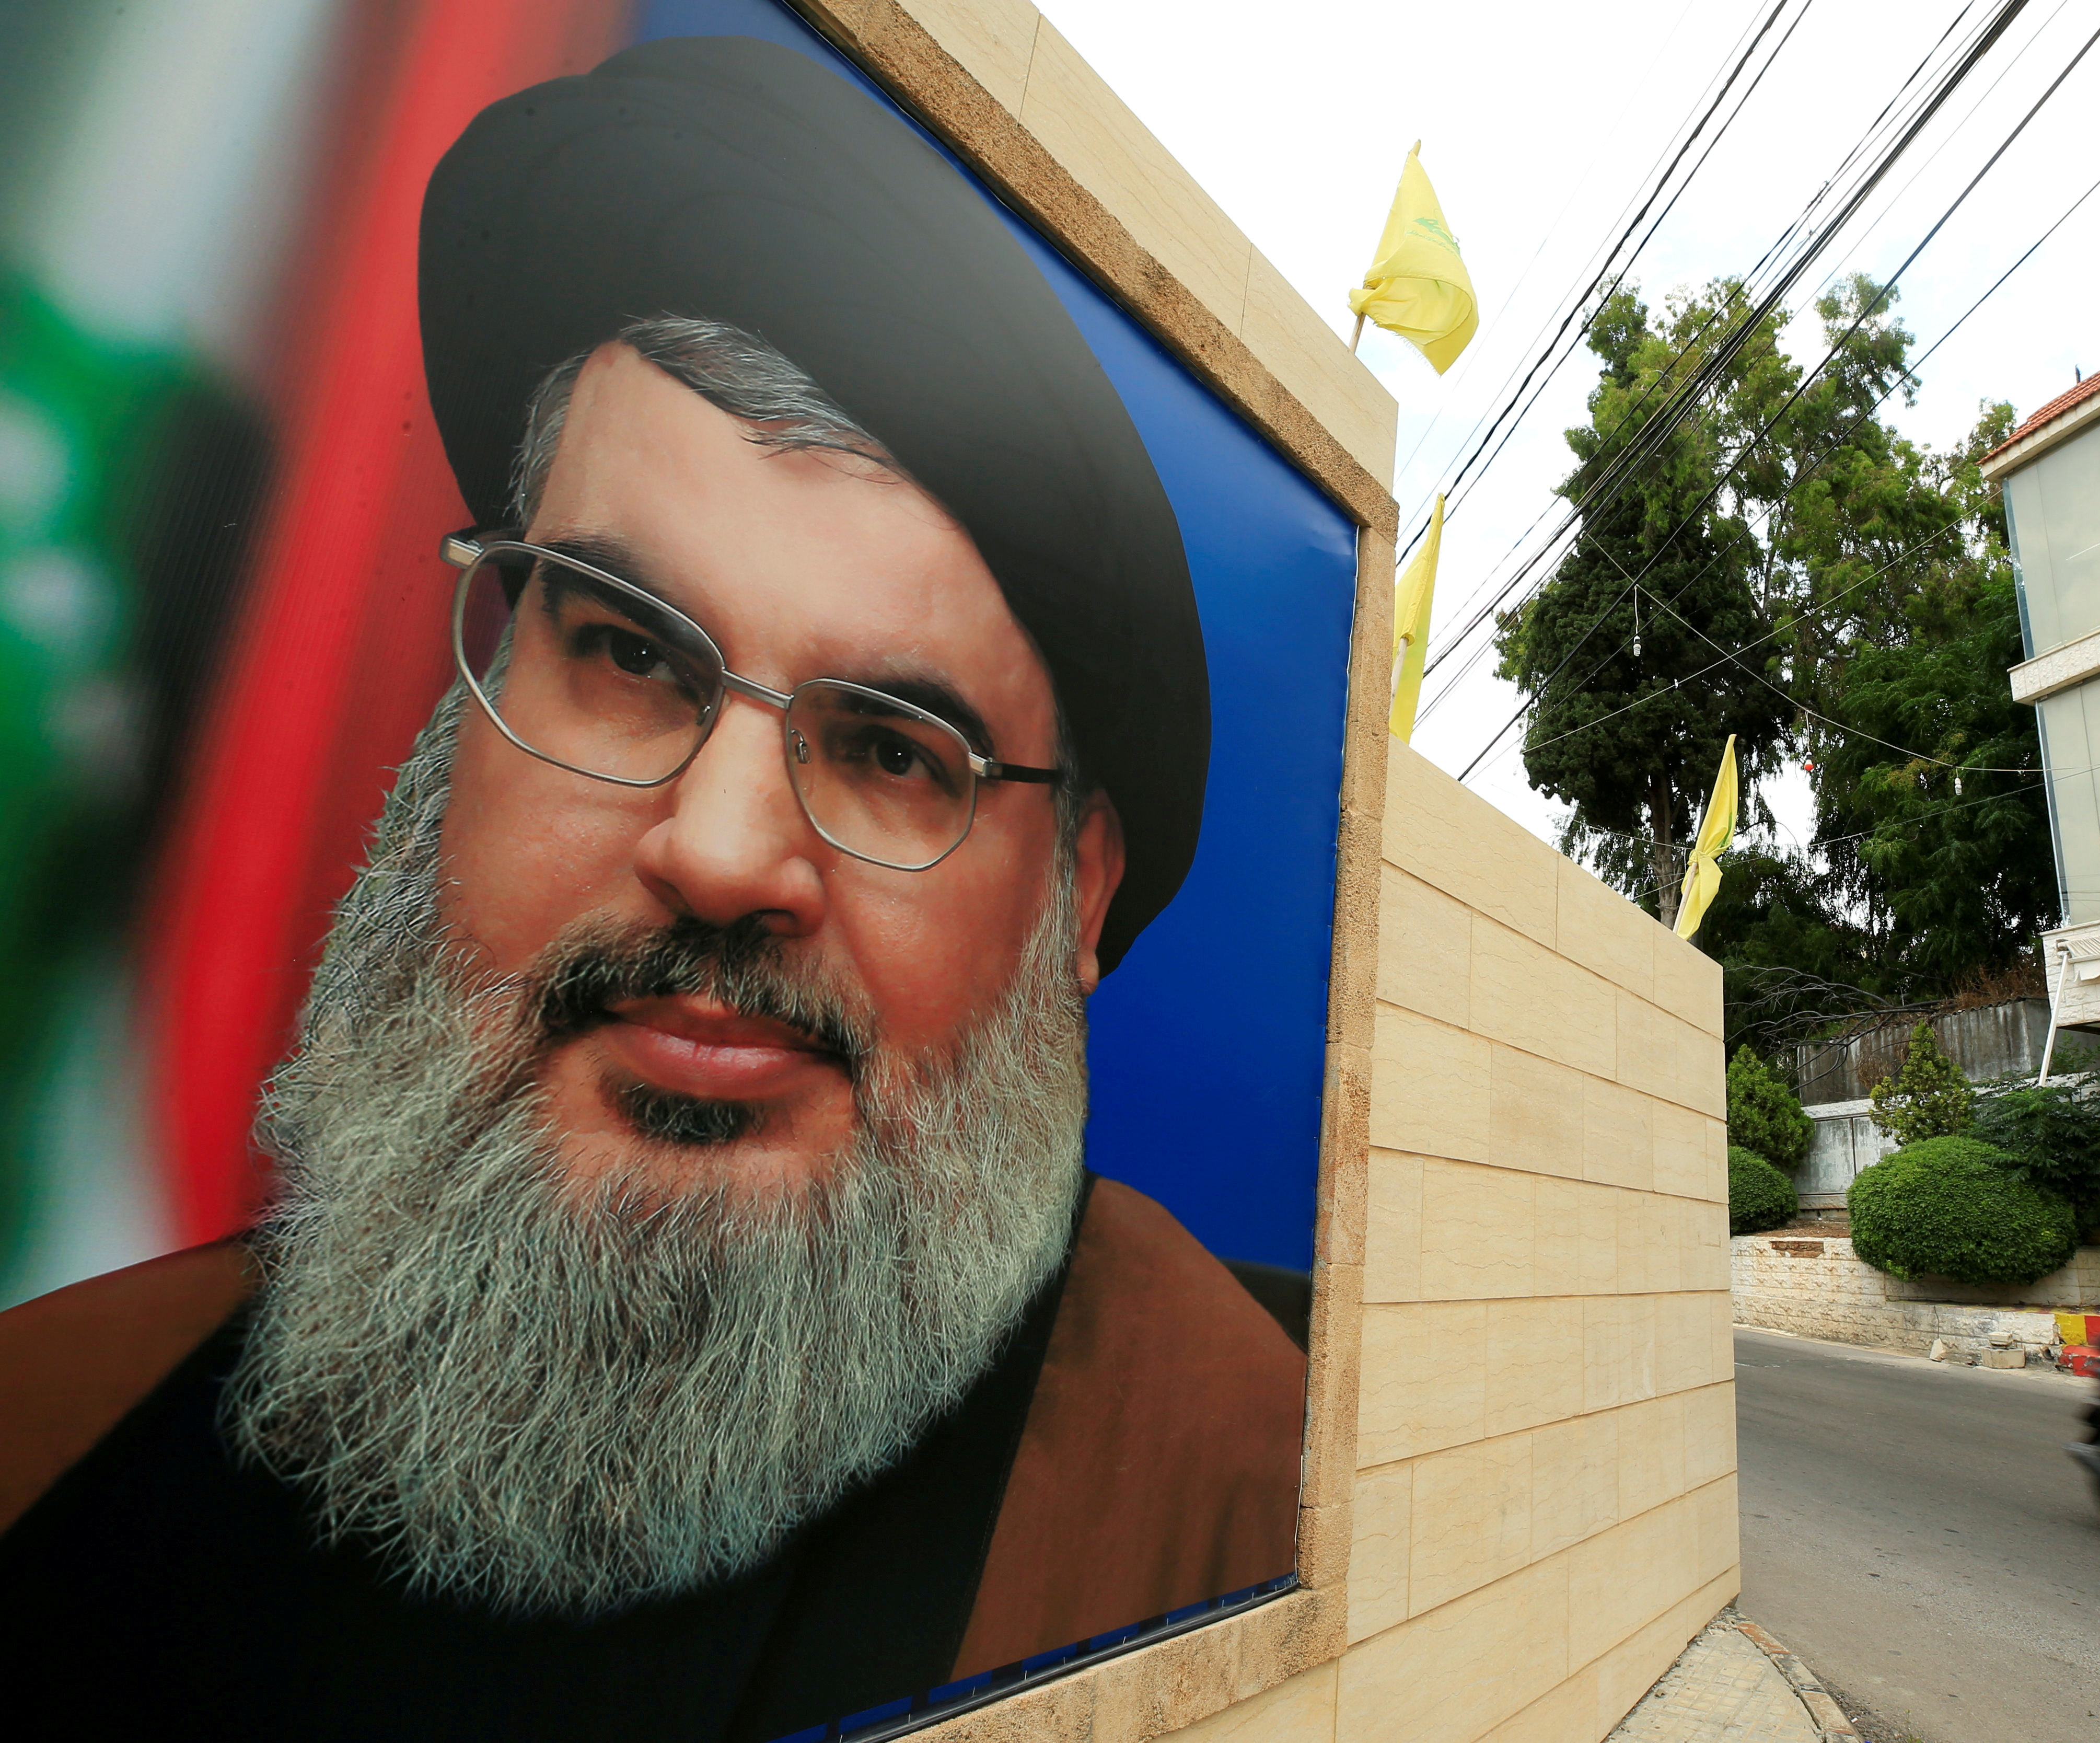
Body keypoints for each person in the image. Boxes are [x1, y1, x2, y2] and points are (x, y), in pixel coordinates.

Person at [0, 35, 1304, 1742]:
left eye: (894, 747)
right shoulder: (46, 1430)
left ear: (1077, 897)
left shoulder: (1247, 1504)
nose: (719, 847)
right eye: (627, 652)